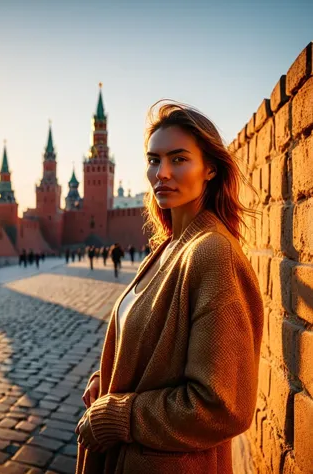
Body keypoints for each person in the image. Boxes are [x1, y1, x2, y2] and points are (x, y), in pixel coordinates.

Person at [75, 101, 263, 474]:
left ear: (210, 168)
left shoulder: (212, 253)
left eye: (178, 159)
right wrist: (110, 377)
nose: (161, 173)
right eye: (153, 159)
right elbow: (156, 349)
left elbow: (221, 407)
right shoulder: (169, 247)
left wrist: (121, 415)